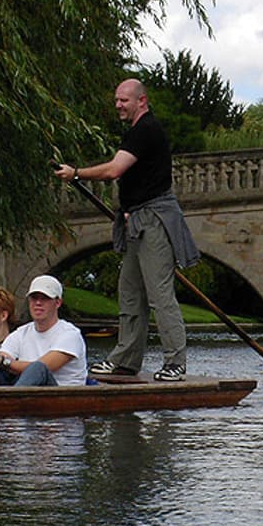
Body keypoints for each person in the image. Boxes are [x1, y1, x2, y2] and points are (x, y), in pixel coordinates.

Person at [55, 78, 199, 382]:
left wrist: (76, 173)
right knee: (130, 292)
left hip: (155, 222)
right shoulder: (135, 131)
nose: (119, 105)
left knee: (160, 296)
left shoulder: (146, 130)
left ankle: (175, 363)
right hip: (137, 221)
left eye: (124, 100)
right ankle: (126, 360)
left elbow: (113, 170)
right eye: (117, 100)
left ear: (141, 101)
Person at [0, 275, 86, 387]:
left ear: (58, 303)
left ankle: (9, 406)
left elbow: (44, 367)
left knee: (38, 368)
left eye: (44, 298)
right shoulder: (21, 333)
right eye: (34, 298)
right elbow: (2, 356)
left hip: (61, 398)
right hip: (30, 394)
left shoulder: (70, 335)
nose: (38, 303)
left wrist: (1, 361)